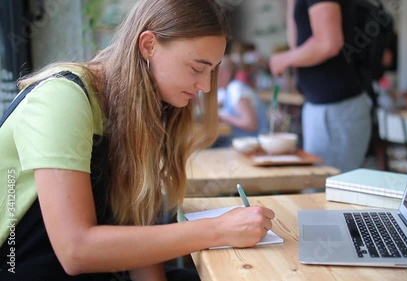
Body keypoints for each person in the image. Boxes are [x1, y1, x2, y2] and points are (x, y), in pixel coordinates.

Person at [0, 0, 275, 280]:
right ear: (148, 45)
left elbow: (136, 228)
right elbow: (75, 250)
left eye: (212, 71)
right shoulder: (62, 98)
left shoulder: (141, 110)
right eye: (196, 68)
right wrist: (218, 230)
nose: (205, 86)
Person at [269, 0, 372, 172]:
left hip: (336, 109)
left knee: (327, 192)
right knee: (316, 189)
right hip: (323, 108)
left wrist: (282, 59)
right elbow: (297, 44)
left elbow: (328, 43)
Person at [216, 56, 269, 146]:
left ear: (224, 74)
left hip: (253, 144)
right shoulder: (227, 90)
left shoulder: (236, 89)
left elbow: (251, 124)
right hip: (244, 143)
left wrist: (223, 117)